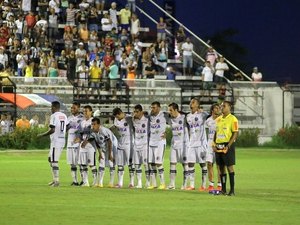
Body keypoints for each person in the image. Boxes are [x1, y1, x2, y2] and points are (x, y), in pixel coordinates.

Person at [37, 101, 68, 187]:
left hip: (56, 141)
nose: (51, 109)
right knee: (50, 159)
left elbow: (52, 130)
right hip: (61, 140)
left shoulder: (53, 116)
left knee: (54, 161)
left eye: (51, 107)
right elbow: (68, 126)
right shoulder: (64, 116)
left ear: (54, 107)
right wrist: (62, 132)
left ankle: (57, 181)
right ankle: (54, 180)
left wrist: (42, 135)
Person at [213, 101, 238, 196]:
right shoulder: (218, 119)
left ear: (229, 107)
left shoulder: (233, 119)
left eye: (224, 106)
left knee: (230, 167)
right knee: (221, 168)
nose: (222, 107)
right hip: (218, 145)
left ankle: (232, 190)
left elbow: (235, 133)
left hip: (227, 145)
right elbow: (216, 132)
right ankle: (223, 189)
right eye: (221, 106)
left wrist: (228, 146)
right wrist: (214, 144)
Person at [88, 116, 118, 188]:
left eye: (94, 124)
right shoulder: (93, 132)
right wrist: (100, 154)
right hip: (104, 146)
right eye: (92, 124)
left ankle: (111, 183)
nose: (93, 126)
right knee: (101, 161)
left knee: (111, 163)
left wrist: (110, 154)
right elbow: (97, 143)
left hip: (112, 145)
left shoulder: (103, 130)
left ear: (99, 125)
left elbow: (110, 142)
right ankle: (100, 183)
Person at [186, 98, 209, 191]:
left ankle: (203, 185)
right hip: (191, 143)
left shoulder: (202, 115)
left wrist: (204, 112)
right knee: (190, 163)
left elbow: (210, 116)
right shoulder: (188, 116)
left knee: (202, 164)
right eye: (191, 102)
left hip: (201, 144)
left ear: (197, 105)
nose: (191, 103)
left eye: (193, 102)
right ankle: (192, 185)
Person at [167, 102, 189, 190]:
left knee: (185, 164)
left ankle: (184, 184)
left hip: (183, 145)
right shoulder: (169, 119)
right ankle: (172, 184)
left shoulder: (184, 118)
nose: (170, 112)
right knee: (172, 164)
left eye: (171, 110)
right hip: (174, 144)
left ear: (176, 110)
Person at [112, 107, 135, 188]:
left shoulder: (129, 118)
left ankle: (132, 183)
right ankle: (120, 183)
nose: (116, 118)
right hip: (120, 143)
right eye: (116, 117)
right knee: (120, 164)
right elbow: (115, 128)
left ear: (120, 113)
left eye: (117, 116)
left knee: (130, 164)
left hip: (129, 144)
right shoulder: (116, 120)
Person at [75, 105, 97, 187]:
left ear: (91, 112)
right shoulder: (82, 122)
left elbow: (94, 133)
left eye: (86, 111)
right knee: (83, 165)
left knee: (92, 165)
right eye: (84, 111)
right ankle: (85, 182)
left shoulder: (93, 121)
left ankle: (95, 182)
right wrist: (78, 139)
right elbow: (80, 133)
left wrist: (86, 141)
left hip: (91, 146)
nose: (85, 113)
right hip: (83, 146)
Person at [148, 101, 168, 189]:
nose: (152, 109)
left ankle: (163, 184)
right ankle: (154, 184)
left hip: (160, 142)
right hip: (151, 142)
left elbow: (175, 120)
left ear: (159, 108)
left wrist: (166, 132)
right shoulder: (150, 116)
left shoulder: (165, 115)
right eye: (151, 107)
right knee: (151, 163)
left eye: (154, 107)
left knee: (158, 163)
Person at [132, 104, 150, 188]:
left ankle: (148, 182)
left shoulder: (147, 120)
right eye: (134, 111)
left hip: (145, 145)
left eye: (137, 111)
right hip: (136, 145)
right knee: (137, 165)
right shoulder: (134, 120)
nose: (135, 113)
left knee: (146, 164)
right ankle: (139, 183)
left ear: (141, 111)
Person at [66, 102, 84, 186]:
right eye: (71, 108)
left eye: (74, 108)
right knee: (72, 164)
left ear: (79, 108)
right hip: (70, 143)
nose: (72, 109)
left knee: (80, 163)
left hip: (78, 144)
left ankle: (83, 180)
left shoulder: (82, 118)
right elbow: (65, 130)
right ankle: (75, 181)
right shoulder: (68, 118)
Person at [205, 103, 222, 191]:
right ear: (212, 110)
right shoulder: (208, 120)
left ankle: (219, 184)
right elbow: (204, 132)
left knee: (219, 165)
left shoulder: (221, 119)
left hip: (218, 143)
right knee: (209, 163)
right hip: (209, 143)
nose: (218, 109)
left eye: (219, 108)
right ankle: (211, 184)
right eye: (216, 108)